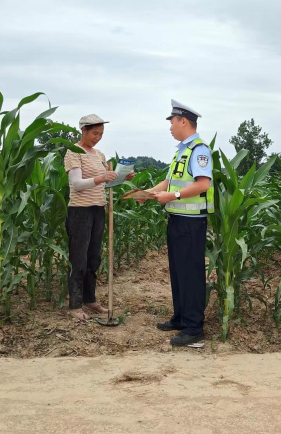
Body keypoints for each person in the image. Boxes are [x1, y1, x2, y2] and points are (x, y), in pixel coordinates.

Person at [143, 100, 214, 347]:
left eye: (172, 122)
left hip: (191, 223)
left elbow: (203, 184)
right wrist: (148, 193)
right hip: (177, 220)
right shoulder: (181, 151)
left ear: (184, 121)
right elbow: (168, 182)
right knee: (178, 272)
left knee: (191, 275)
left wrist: (171, 197)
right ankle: (181, 318)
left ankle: (194, 329)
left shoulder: (199, 150)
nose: (170, 126)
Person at [64, 114, 134, 322]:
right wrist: (101, 177)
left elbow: (106, 184)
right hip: (80, 211)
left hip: (97, 209)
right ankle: (75, 304)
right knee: (79, 258)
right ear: (83, 130)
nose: (98, 137)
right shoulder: (73, 152)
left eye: (101, 134)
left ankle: (90, 299)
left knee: (93, 257)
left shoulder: (100, 155)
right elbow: (76, 184)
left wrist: (121, 177)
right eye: (95, 133)